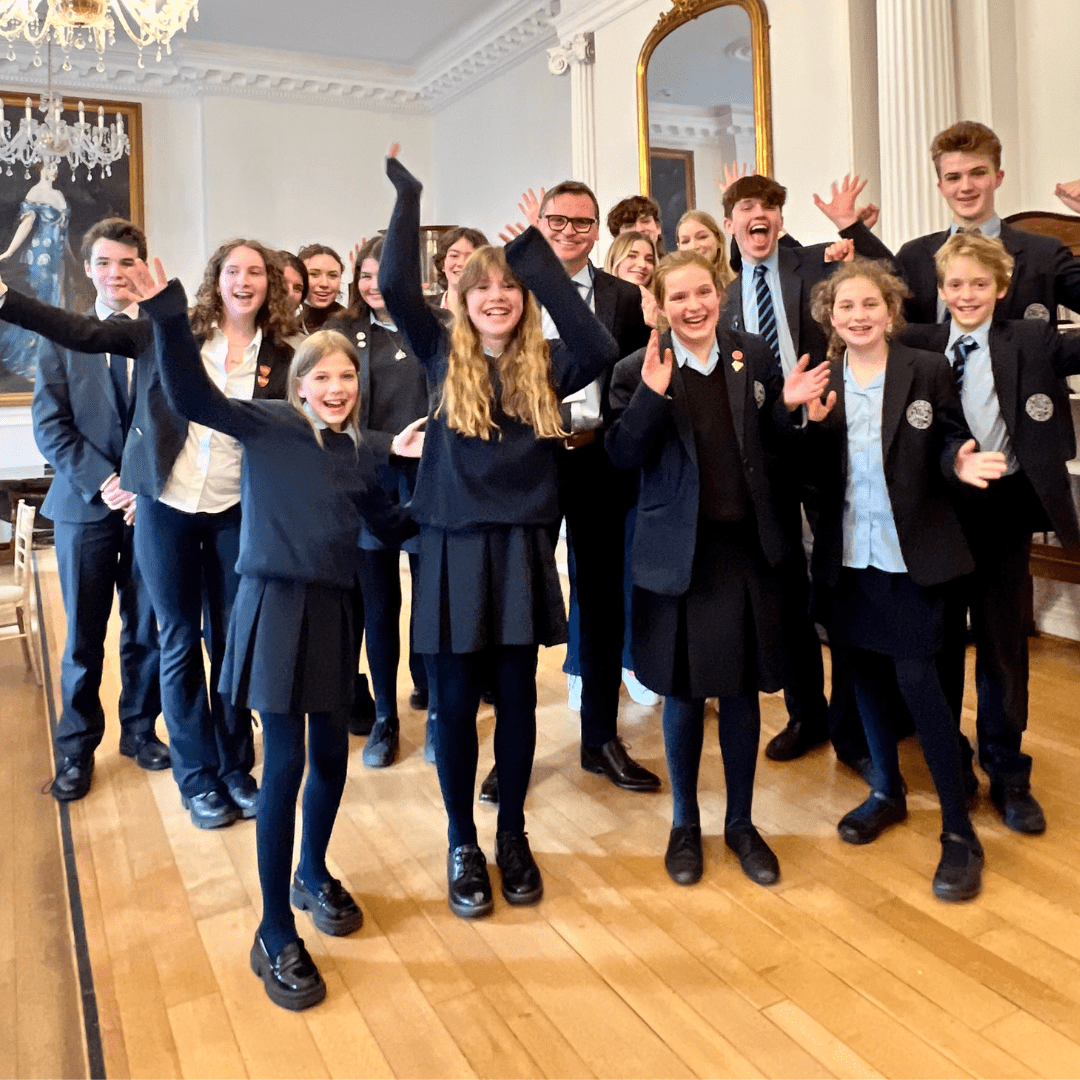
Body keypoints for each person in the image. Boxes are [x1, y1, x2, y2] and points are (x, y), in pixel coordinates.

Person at [132, 258, 415, 1010]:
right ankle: (271, 930)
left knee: (331, 758)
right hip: (275, 611)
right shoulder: (270, 424)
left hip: (335, 612)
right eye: (321, 378)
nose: (335, 388)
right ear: (298, 387)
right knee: (284, 769)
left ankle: (312, 871)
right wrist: (165, 313)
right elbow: (190, 393)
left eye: (346, 379)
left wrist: (455, 500)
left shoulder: (360, 453)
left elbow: (391, 524)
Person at [378, 148, 620, 919]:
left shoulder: (546, 364)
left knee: (517, 700)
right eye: (481, 286)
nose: (495, 296)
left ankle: (511, 831)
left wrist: (533, 258)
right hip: (449, 547)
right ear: (459, 297)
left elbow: (603, 348)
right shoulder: (438, 354)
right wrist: (408, 194)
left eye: (507, 287)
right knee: (453, 702)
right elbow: (390, 284)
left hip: (519, 549)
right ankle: (461, 840)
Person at [0, 236, 297, 828]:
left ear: (271, 286)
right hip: (166, 508)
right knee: (180, 639)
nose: (244, 281)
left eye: (256, 272)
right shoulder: (170, 333)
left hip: (237, 512)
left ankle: (236, 764)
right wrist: (6, 298)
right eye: (232, 270)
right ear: (215, 279)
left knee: (232, 643)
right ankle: (196, 777)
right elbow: (78, 333)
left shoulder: (286, 357)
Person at [606, 250, 831, 887]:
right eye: (678, 297)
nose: (694, 305)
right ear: (659, 305)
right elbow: (623, 457)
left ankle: (740, 822)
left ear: (720, 293)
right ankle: (684, 823)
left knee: (740, 693)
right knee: (683, 694)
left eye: (703, 291)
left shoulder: (751, 354)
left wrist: (789, 412)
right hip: (681, 560)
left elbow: (775, 453)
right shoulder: (636, 368)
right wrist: (649, 397)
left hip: (749, 554)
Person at [805, 257, 1006, 901]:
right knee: (862, 675)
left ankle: (957, 830)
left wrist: (960, 460)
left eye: (870, 305)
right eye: (845, 307)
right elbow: (805, 468)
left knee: (923, 690)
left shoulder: (925, 368)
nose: (858, 316)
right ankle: (887, 790)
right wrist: (801, 424)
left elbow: (950, 439)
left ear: (890, 312)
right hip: (848, 562)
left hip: (911, 558)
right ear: (829, 318)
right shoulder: (819, 380)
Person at [901, 232, 1080, 834]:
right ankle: (951, 761)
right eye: (955, 284)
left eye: (981, 284)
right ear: (939, 290)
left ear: (1002, 288)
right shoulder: (918, 344)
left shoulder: (1029, 338)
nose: (967, 295)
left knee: (1003, 647)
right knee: (941, 641)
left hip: (1003, 510)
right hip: (940, 512)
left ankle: (1007, 769)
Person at [720, 173, 891, 773]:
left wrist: (852, 230)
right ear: (731, 224)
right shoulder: (723, 295)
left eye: (770, 207)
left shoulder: (813, 267)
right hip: (766, 454)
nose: (759, 216)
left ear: (782, 221)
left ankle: (860, 719)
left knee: (841, 583)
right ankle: (805, 713)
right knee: (788, 590)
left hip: (827, 439)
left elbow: (886, 287)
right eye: (746, 208)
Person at [11, 217, 166, 802]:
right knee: (83, 637)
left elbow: (176, 421)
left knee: (145, 629)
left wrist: (141, 487)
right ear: (87, 269)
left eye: (127, 262)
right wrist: (106, 482)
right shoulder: (62, 337)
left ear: (143, 268)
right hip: (85, 509)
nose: (116, 273)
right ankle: (76, 750)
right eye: (104, 262)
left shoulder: (161, 335)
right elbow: (51, 427)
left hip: (150, 510)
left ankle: (140, 731)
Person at [325, 234, 433, 768]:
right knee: (378, 605)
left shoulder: (435, 326)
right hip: (368, 481)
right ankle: (386, 716)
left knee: (433, 601)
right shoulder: (341, 332)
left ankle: (436, 707)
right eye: (364, 275)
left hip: (428, 482)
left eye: (381, 273)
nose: (372, 285)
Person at [822, 122, 1080, 325]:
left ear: (998, 177)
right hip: (934, 392)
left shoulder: (1044, 254)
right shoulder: (914, 256)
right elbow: (880, 312)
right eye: (954, 177)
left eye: (978, 173)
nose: (966, 187)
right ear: (941, 186)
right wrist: (851, 229)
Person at [0, 160, 83, 390]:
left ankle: (55, 360)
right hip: (43, 257)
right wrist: (9, 251)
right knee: (43, 305)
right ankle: (36, 361)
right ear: (41, 168)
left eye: (57, 166)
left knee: (60, 304)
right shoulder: (36, 192)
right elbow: (27, 225)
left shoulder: (58, 194)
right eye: (51, 166)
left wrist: (73, 261)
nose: (55, 170)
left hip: (59, 259)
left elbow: (63, 233)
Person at [433, 227, 489, 314]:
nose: (461, 263)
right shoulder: (422, 308)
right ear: (442, 264)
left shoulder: (492, 309)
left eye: (470, 257)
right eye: (454, 256)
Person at [676, 209, 736, 288]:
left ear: (718, 240)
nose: (694, 246)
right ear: (679, 248)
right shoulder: (672, 289)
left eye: (702, 237)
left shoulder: (741, 287)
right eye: (686, 241)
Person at [298, 243, 346, 331]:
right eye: (313, 274)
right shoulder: (289, 329)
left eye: (333, 275)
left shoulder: (354, 325)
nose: (324, 284)